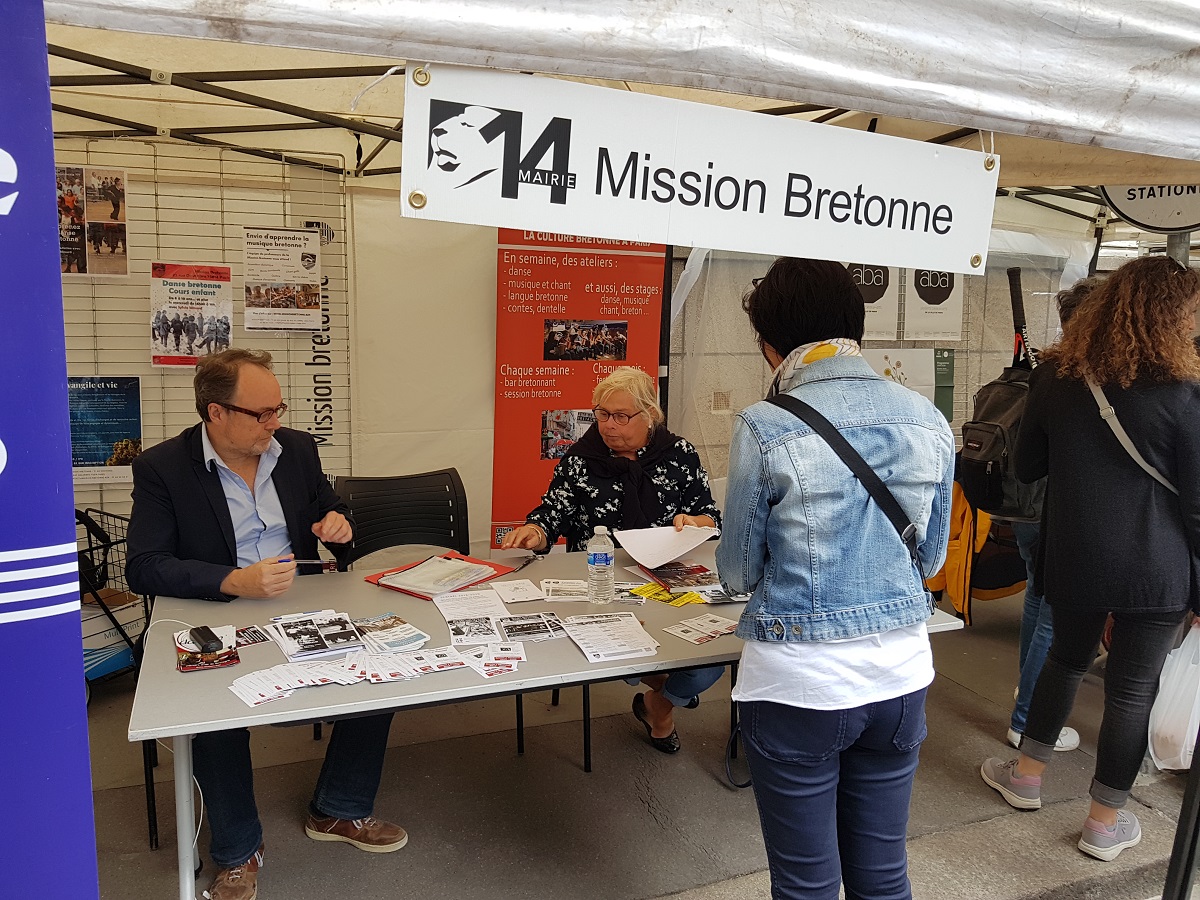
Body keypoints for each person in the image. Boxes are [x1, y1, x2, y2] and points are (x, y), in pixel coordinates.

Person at [126, 349, 407, 900]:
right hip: (218, 608)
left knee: (379, 669)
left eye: (278, 408)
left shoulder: (295, 449)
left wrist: (338, 524)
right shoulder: (162, 467)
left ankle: (338, 808)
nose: (274, 422)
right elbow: (144, 565)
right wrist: (233, 580)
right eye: (261, 413)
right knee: (213, 708)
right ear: (216, 413)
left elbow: (329, 509)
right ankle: (238, 852)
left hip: (300, 602)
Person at [716, 258, 954, 900]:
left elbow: (737, 572)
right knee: (883, 876)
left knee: (806, 884)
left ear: (772, 345)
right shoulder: (927, 417)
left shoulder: (765, 424)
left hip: (798, 681)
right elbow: (930, 559)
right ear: (856, 327)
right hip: (900, 676)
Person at [980, 255, 1200, 862]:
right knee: (1132, 689)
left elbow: (1028, 467)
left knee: (1065, 660)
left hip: (1076, 555)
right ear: (1172, 316)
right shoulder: (1186, 391)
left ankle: (1026, 777)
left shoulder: (1058, 376)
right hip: (1157, 567)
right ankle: (1104, 824)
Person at [500, 366, 723, 753]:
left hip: (667, 577)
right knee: (629, 644)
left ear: (649, 414)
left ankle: (657, 702)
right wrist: (536, 530)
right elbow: (553, 512)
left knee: (710, 661)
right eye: (602, 414)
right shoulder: (580, 459)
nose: (608, 425)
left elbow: (710, 517)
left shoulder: (679, 454)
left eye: (621, 416)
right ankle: (664, 704)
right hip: (601, 584)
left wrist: (694, 522)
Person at [1005, 274, 1106, 754]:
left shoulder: (1048, 370)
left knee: (1036, 602)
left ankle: (1026, 702)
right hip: (1061, 516)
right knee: (1053, 621)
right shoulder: (1095, 379)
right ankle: (1028, 720)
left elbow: (1027, 462)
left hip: (1025, 508)